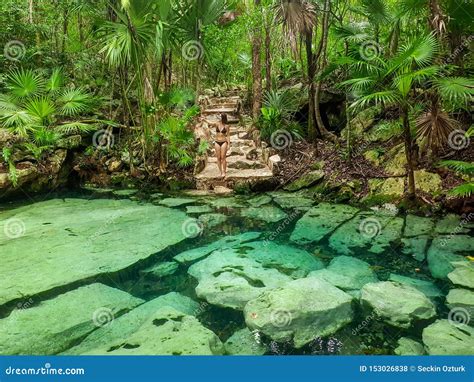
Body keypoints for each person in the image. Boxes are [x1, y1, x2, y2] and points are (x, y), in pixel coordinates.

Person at [214, 113, 231, 177]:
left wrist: (229, 144)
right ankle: (220, 171)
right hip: (217, 142)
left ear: (223, 118)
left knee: (223, 157)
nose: (219, 117)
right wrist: (204, 120)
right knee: (218, 158)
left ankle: (224, 171)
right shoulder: (217, 123)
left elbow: (228, 135)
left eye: (220, 116)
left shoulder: (227, 126)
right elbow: (210, 123)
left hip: (224, 142)